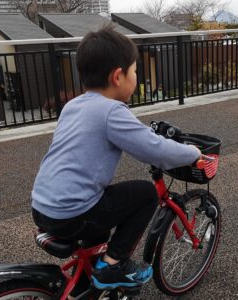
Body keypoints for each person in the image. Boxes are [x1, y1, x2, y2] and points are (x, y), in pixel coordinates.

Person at [30, 25, 202, 298]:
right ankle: (113, 265)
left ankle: (87, 284)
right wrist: (192, 152)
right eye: (135, 71)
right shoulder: (111, 111)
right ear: (118, 76)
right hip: (73, 212)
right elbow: (155, 150)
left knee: (101, 223)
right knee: (145, 194)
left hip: (42, 206)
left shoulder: (74, 106)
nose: (137, 77)